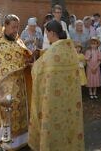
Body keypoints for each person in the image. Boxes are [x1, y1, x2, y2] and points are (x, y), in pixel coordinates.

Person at [29, 20, 84, 151]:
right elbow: (50, 57)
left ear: (52, 33)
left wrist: (33, 64)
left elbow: (38, 70)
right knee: (68, 126)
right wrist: (41, 53)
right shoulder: (70, 49)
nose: (46, 36)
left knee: (54, 128)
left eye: (47, 33)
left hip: (53, 102)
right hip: (70, 101)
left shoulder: (52, 53)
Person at [0, 14, 31, 150]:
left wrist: (28, 58)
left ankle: (20, 139)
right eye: (13, 27)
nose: (16, 30)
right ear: (6, 25)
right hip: (3, 86)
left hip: (19, 84)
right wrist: (18, 66)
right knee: (7, 111)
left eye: (17, 27)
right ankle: (4, 140)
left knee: (19, 111)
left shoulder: (17, 39)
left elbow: (23, 53)